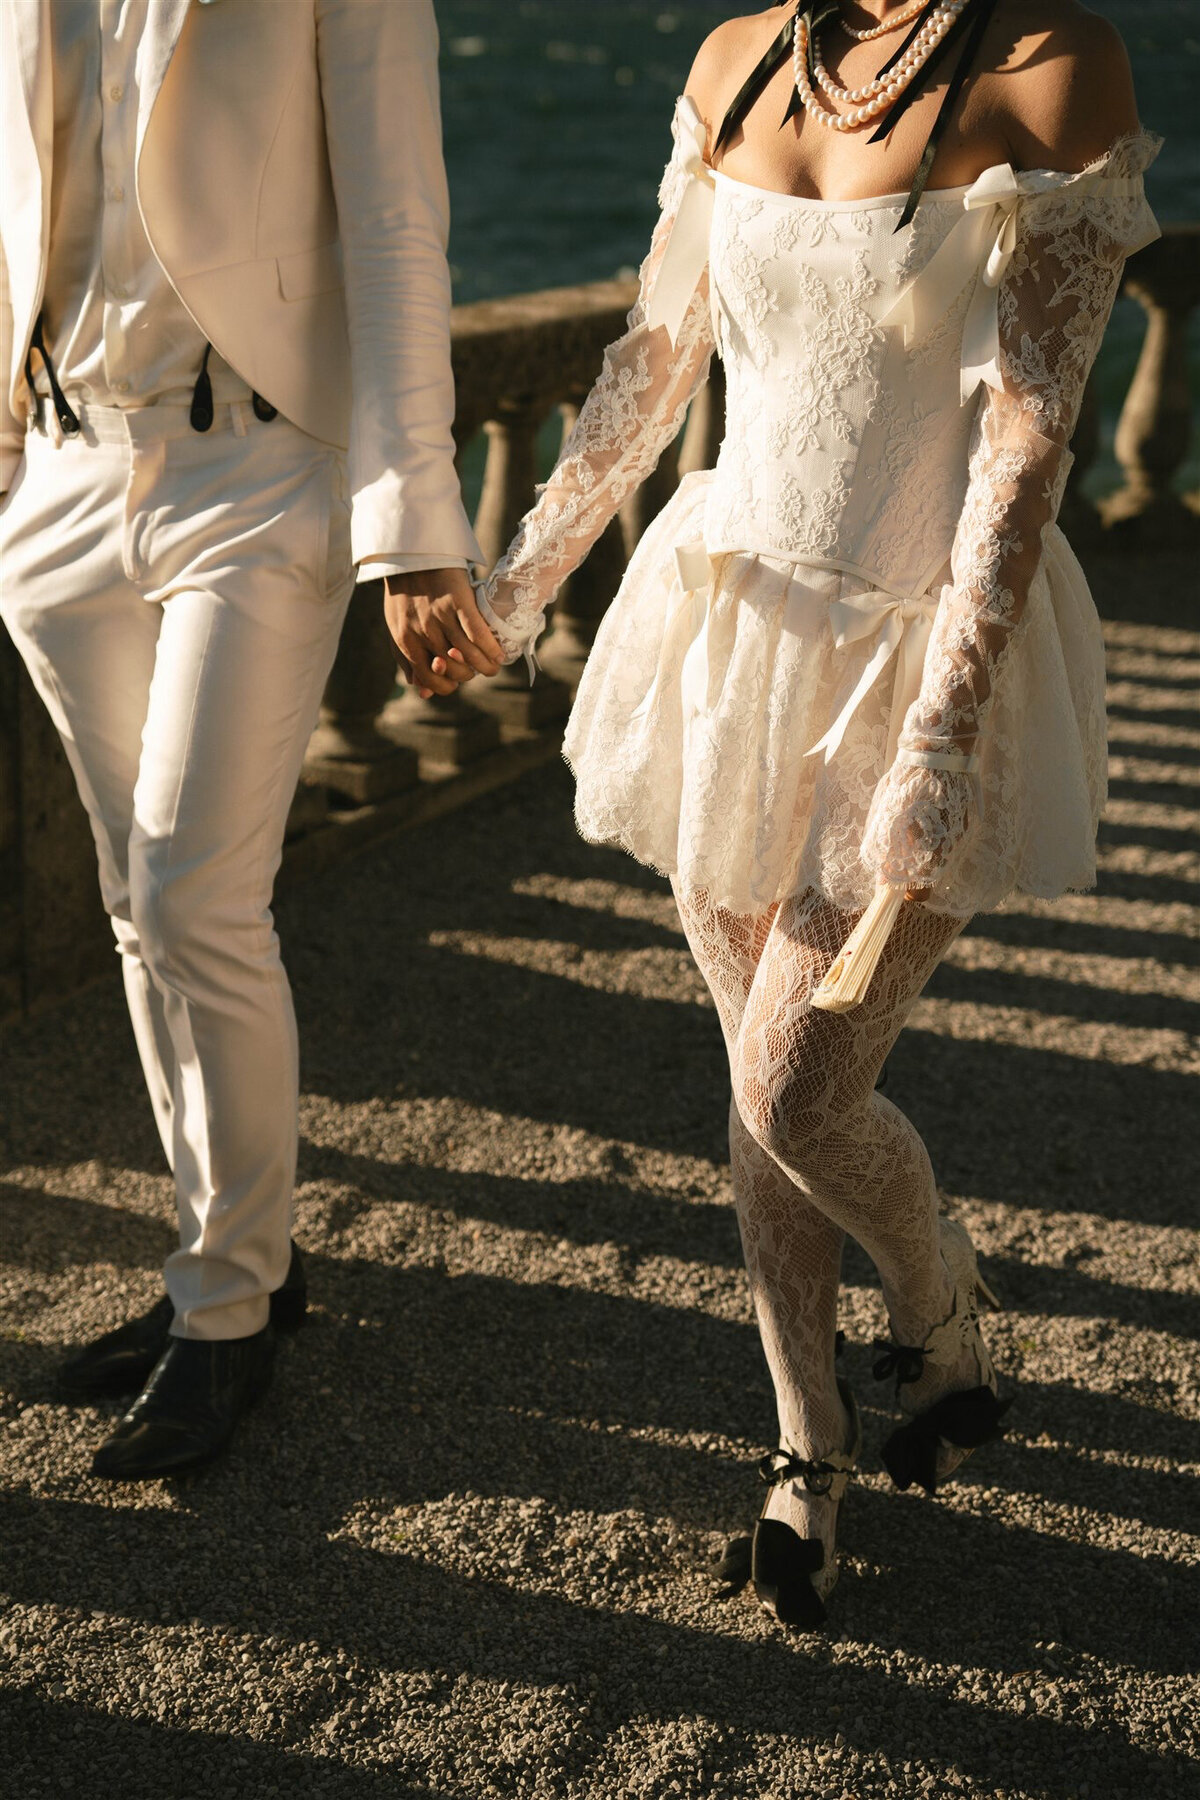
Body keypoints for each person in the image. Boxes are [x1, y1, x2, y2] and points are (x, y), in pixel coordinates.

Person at [389, 0, 1159, 1626]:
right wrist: (515, 591)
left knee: (800, 1085)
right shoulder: (738, 58)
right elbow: (658, 368)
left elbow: (1028, 434)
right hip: (726, 634)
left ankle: (941, 1300)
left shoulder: (1053, 66)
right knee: (756, 1081)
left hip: (923, 643)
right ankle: (806, 1435)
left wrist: (943, 737)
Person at [0, 0, 502, 1480]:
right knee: (134, 907)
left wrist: (415, 529)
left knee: (189, 898)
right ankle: (240, 1262)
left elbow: (401, 227)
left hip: (257, 469)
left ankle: (225, 1315)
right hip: (58, 476)